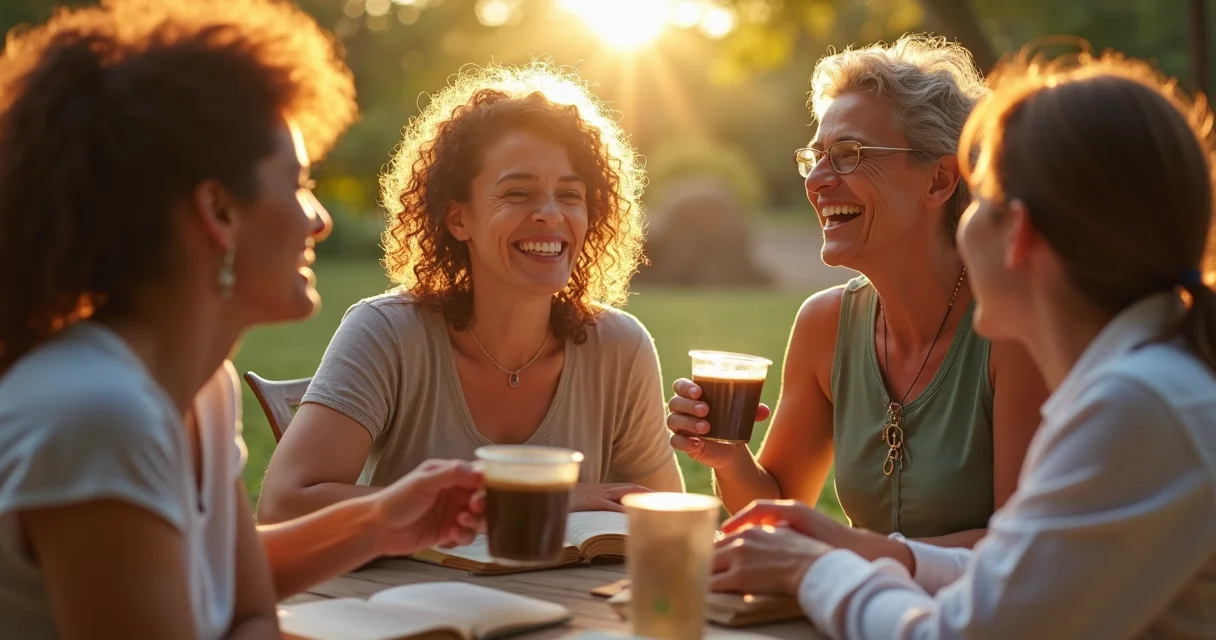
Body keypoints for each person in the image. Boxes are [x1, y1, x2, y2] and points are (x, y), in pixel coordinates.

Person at [0, 2, 485, 638]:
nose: (319, 218)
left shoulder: (202, 390)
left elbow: (237, 597)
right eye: (298, 182)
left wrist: (381, 522)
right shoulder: (99, 414)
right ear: (219, 211)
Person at [710, 49, 1216, 639]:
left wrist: (822, 569)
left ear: (1018, 232)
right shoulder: (1151, 385)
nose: (967, 219)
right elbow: (1017, 572)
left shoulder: (1140, 408)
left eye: (985, 199)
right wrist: (876, 553)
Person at [256, 63, 683, 524]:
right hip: (401, 597)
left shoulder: (620, 347)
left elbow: (668, 518)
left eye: (570, 195)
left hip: (570, 598)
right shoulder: (387, 333)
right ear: (459, 219)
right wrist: (531, 501)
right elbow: (284, 505)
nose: (549, 214)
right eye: (518, 194)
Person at [666, 34, 1048, 545]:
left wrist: (843, 553)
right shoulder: (825, 325)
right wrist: (727, 455)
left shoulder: (1010, 332)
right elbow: (776, 509)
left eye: (848, 154)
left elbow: (1020, 547)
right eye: (815, 156)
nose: (817, 180)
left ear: (938, 181)